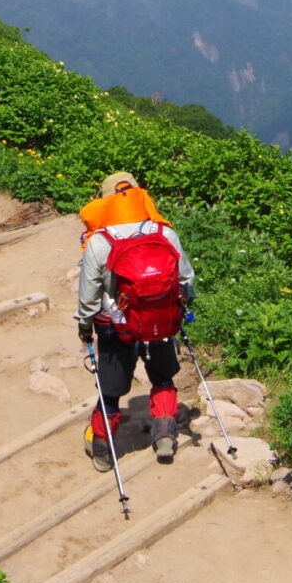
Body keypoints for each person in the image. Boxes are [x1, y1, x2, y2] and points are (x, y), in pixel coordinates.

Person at [75, 173, 196, 468]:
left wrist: (84, 325)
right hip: (161, 320)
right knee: (162, 376)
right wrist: (183, 307)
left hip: (116, 326)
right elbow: (186, 278)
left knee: (112, 388)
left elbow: (89, 294)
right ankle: (165, 435)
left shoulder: (100, 242)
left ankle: (103, 449)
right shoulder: (163, 232)